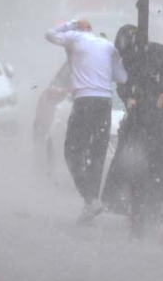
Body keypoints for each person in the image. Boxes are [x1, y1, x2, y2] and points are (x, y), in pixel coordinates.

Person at [112, 24, 163, 235]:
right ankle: (136, 213)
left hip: (161, 120)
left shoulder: (160, 52)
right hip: (137, 120)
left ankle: (160, 213)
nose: (127, 56)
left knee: (161, 167)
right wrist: (127, 97)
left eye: (128, 51)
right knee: (132, 167)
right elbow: (121, 83)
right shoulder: (128, 58)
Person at [45, 19, 127, 224]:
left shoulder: (76, 37)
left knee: (72, 150)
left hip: (85, 101)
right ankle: (91, 202)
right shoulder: (108, 46)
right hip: (104, 103)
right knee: (97, 153)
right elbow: (122, 78)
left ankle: (90, 199)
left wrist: (71, 24)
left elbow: (50, 34)